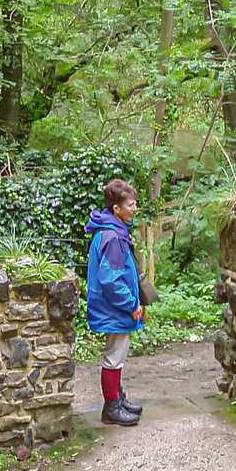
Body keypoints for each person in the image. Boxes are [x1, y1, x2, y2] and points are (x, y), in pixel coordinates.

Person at [85, 178, 145, 427]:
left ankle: (117, 399)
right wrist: (132, 305)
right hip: (114, 308)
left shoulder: (112, 230)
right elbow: (111, 280)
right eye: (131, 205)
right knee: (114, 357)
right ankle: (111, 408)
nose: (135, 209)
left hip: (111, 307)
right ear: (116, 209)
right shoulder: (113, 236)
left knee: (117, 355)